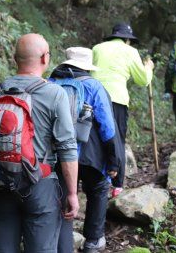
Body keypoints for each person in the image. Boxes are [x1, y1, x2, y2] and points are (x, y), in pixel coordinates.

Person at [0, 34, 79, 253]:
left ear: (15, 59)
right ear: (44, 58)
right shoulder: (55, 94)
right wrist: (72, 193)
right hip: (40, 186)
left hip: (0, 184)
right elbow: (67, 147)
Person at [50, 47, 120, 253]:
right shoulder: (93, 86)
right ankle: (93, 240)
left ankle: (59, 241)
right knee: (98, 189)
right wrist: (113, 159)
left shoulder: (50, 83)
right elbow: (107, 126)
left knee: (61, 196)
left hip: (57, 152)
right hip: (89, 154)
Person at [92, 23, 154, 197]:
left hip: (95, 97)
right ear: (127, 39)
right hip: (117, 99)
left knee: (95, 136)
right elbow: (142, 80)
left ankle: (97, 176)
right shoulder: (131, 52)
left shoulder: (97, 48)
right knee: (117, 137)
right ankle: (117, 185)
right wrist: (148, 68)